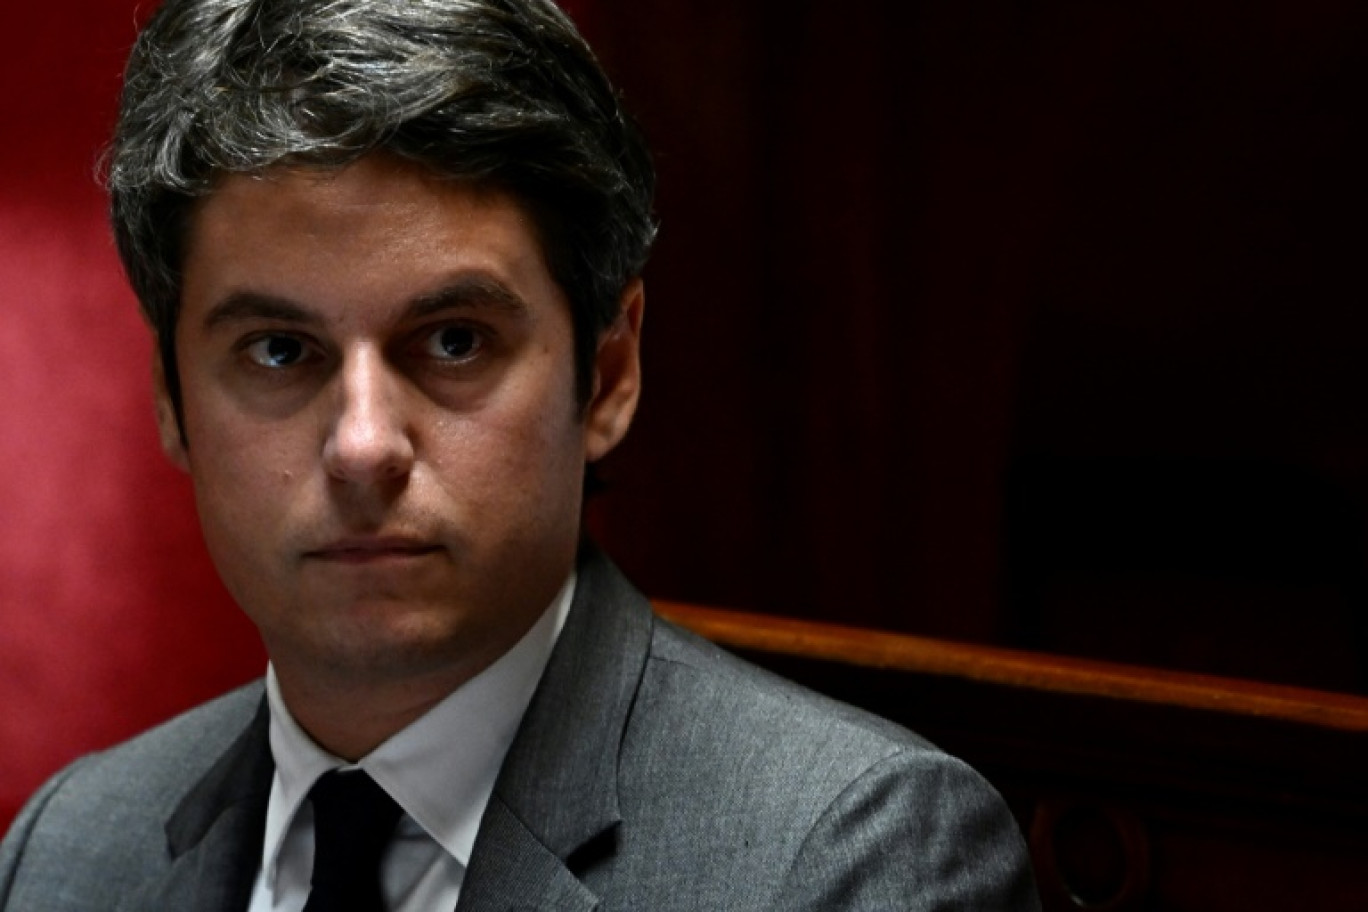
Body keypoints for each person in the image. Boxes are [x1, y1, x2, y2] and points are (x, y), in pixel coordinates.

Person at [0, 0, 1040, 909]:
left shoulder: (849, 861)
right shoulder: (67, 852)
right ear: (171, 401)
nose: (364, 446)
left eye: (453, 341)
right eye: (280, 351)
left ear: (609, 373)